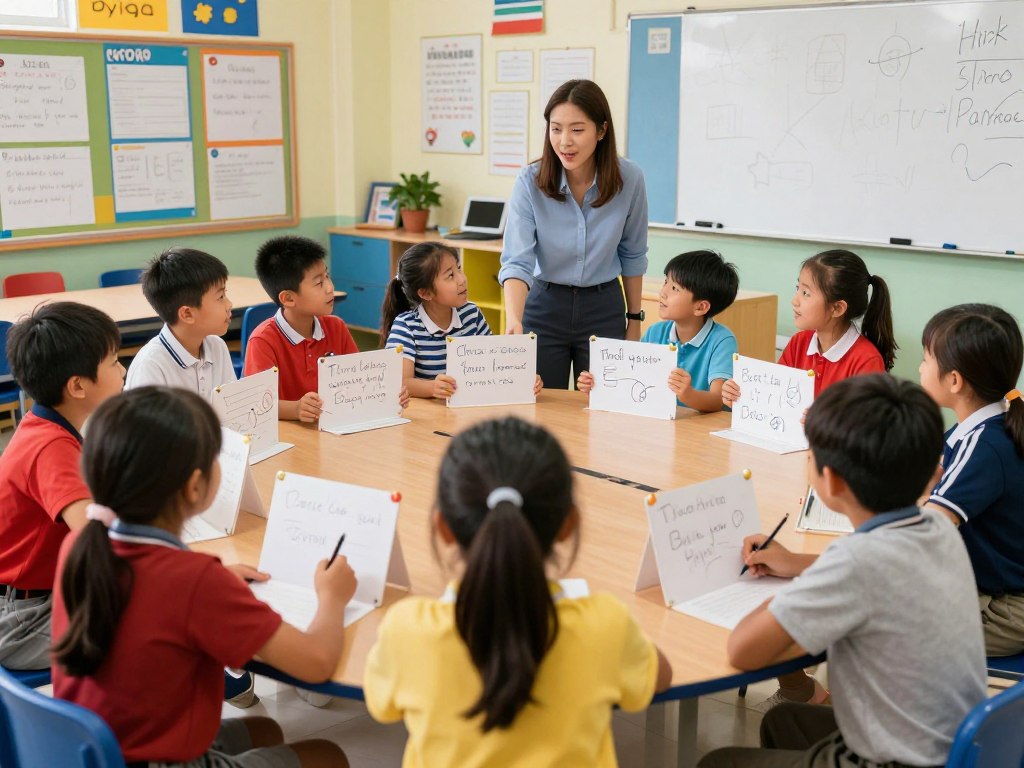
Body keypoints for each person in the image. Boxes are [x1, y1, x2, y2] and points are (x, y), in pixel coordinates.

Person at [52, 387, 355, 768]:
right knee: (327, 756)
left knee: (265, 731)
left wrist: (214, 582)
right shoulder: (195, 582)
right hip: (155, 759)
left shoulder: (80, 547)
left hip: (91, 751)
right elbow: (316, 663)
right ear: (195, 486)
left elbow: (153, 599)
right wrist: (332, 596)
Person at [700, 375, 986, 768]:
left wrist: (796, 588)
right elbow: (878, 569)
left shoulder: (855, 563)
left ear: (829, 480)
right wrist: (801, 565)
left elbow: (742, 651)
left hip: (895, 760)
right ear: (930, 475)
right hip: (952, 744)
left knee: (720, 761)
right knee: (784, 720)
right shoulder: (935, 527)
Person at [364, 416, 671, 767]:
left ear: (443, 528)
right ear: (568, 525)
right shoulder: (606, 625)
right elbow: (659, 678)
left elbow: (381, 705)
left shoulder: (407, 630)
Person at [500, 79, 648, 389]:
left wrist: (634, 320)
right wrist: (514, 318)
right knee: (540, 404)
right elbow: (517, 260)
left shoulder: (630, 179)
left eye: (577, 130)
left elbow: (633, 254)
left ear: (602, 130)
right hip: (544, 306)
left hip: (603, 306)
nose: (565, 141)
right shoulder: (529, 181)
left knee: (605, 407)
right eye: (556, 129)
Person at [0, 302, 123, 670]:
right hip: (21, 618)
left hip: (36, 595)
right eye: (115, 362)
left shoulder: (50, 424)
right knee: (158, 626)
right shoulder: (50, 446)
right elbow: (96, 536)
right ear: (77, 386)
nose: (124, 370)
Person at [919, 303, 1024, 657]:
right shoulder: (986, 427)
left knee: (882, 624)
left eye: (925, 359)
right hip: (995, 585)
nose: (920, 367)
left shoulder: (984, 446)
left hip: (1008, 610)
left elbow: (927, 531)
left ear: (954, 380)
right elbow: (932, 475)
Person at [722, 249, 896, 404]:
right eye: (797, 288)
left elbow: (862, 428)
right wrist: (741, 396)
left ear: (837, 308)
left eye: (806, 293)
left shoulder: (866, 360)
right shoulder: (799, 343)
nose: (794, 300)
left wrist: (821, 422)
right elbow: (776, 398)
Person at [577, 250, 738, 412]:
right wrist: (597, 385)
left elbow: (718, 400)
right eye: (665, 282)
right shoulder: (655, 332)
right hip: (662, 423)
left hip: (701, 429)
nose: (663, 292)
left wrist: (688, 394)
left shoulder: (722, 341)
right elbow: (633, 382)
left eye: (674, 288)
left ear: (700, 307)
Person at [382, 241, 542, 399]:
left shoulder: (471, 314)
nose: (462, 279)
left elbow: (494, 364)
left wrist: (523, 377)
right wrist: (431, 388)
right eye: (450, 275)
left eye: (459, 269)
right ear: (425, 293)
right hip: (430, 416)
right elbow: (401, 381)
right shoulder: (406, 326)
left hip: (470, 408)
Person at [125, 247, 236, 399]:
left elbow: (229, 409)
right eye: (220, 297)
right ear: (187, 314)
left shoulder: (217, 346)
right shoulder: (150, 366)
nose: (229, 304)